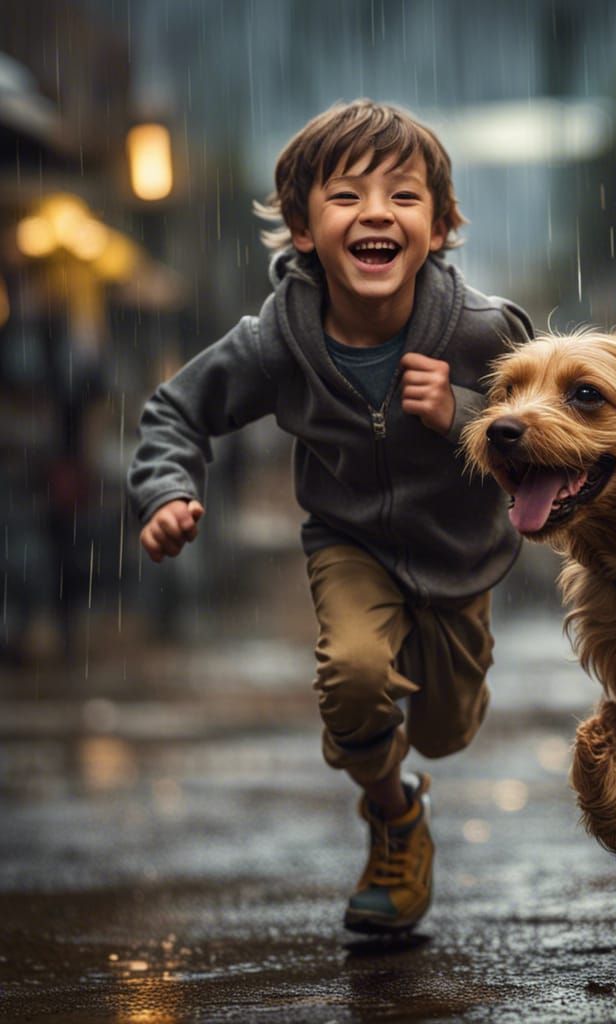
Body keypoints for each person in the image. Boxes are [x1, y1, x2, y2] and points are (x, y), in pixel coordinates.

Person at [127, 99, 532, 932]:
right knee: (353, 677)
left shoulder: (480, 330)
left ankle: (418, 758)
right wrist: (166, 491)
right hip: (348, 543)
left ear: (439, 227)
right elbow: (176, 410)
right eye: (346, 195)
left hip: (458, 551)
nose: (375, 213)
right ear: (303, 229)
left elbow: (546, 425)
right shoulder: (278, 342)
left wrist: (460, 412)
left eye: (402, 196)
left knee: (445, 732)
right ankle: (394, 816)